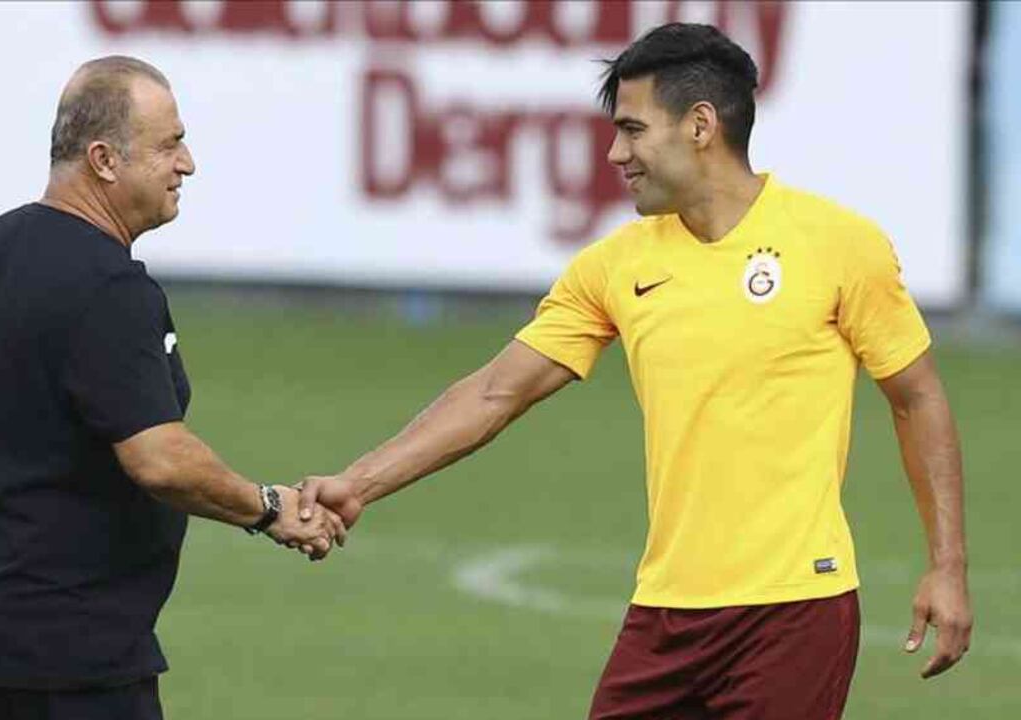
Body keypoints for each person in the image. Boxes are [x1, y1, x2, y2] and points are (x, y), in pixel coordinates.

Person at [298, 23, 972, 719]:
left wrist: (947, 567)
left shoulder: (839, 246)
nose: (616, 153)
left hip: (795, 609)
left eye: (632, 129)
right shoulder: (615, 266)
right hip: (665, 615)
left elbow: (916, 397)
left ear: (701, 125)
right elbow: (498, 391)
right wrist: (360, 483)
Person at [0, 56, 345, 720]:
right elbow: (159, 458)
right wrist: (267, 507)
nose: (187, 163)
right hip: (73, 660)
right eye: (169, 144)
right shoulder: (110, 289)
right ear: (104, 160)